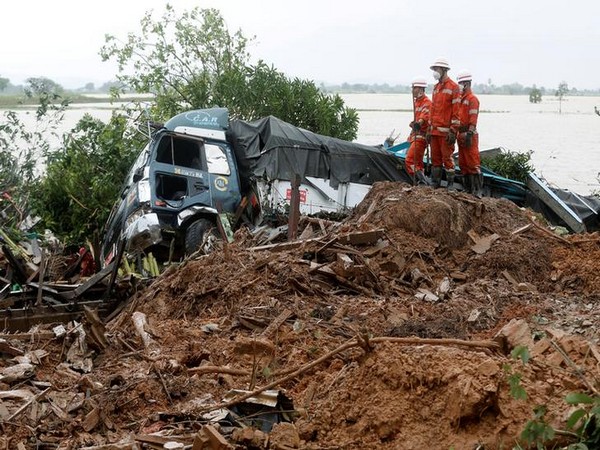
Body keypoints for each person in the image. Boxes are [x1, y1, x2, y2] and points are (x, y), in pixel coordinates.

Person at [426, 58, 461, 189]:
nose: (435, 72)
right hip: (434, 131)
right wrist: (429, 129)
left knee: (447, 158)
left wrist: (453, 130)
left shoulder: (454, 87)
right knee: (435, 159)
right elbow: (432, 109)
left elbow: (456, 111)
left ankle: (450, 185)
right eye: (434, 69)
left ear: (444, 70)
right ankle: (435, 182)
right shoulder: (436, 88)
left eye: (437, 69)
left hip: (446, 132)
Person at [456, 70, 482, 197]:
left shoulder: (472, 99)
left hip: (469, 134)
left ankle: (477, 190)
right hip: (460, 134)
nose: (459, 86)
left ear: (466, 84)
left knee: (472, 163)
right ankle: (468, 189)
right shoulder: (460, 100)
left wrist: (470, 134)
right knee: (463, 163)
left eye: (460, 83)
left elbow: (473, 118)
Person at [404, 77, 432, 185]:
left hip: (421, 137)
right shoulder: (417, 102)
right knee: (418, 163)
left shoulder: (426, 102)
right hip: (415, 136)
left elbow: (424, 117)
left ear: (420, 89)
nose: (412, 91)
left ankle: (422, 182)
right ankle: (420, 183)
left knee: (410, 160)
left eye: (414, 88)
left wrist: (418, 123)